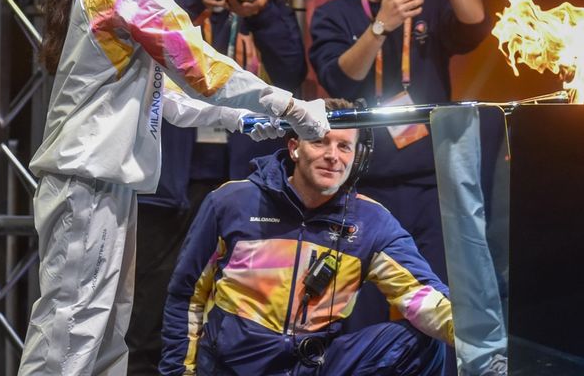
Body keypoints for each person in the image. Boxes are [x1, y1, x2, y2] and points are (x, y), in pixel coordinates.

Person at [16, 0, 328, 376]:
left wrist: (242, 119)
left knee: (106, 332)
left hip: (102, 183)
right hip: (86, 181)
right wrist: (291, 106)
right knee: (70, 336)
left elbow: (163, 98)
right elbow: (201, 65)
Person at [127, 0, 307, 373]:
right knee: (151, 312)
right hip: (171, 183)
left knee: (237, 312)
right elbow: (142, 57)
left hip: (240, 179)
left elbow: (292, 71)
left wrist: (264, 15)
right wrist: (192, 5)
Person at [159, 100, 454, 376]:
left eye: (344, 146)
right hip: (235, 366)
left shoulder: (372, 222)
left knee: (423, 342)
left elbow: (423, 297)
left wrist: (485, 335)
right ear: (294, 147)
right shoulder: (231, 202)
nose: (332, 156)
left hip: (314, 363)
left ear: (358, 157)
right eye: (319, 141)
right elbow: (186, 298)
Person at [308, 0, 493, 330]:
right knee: (359, 312)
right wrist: (380, 26)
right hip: (359, 187)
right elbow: (339, 78)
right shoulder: (336, 14)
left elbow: (475, 24)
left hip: (429, 185)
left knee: (437, 308)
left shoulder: (430, 7)